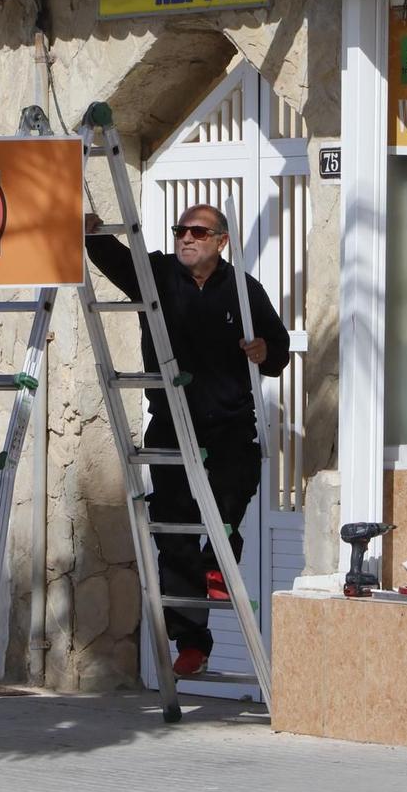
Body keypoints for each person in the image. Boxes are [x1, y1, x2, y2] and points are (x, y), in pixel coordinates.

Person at [84, 203, 289, 678]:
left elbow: (277, 347)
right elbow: (117, 262)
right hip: (171, 422)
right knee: (173, 527)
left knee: (230, 499)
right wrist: (91, 235)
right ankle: (192, 642)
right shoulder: (157, 275)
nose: (186, 238)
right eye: (181, 230)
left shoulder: (243, 289)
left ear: (221, 242)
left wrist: (263, 351)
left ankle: (220, 564)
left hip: (228, 423)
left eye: (198, 232)